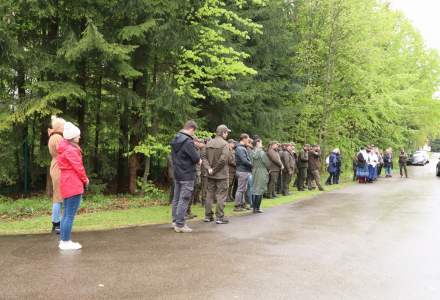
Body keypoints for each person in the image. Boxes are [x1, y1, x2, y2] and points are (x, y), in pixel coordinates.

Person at [57, 122, 89, 250]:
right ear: (72, 137)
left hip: (66, 182)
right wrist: (85, 179)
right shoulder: (71, 150)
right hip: (73, 183)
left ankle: (63, 241)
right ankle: (65, 241)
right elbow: (79, 168)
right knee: (69, 215)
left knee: (66, 215)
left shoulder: (64, 148)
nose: (79, 137)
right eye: (78, 135)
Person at [170, 120, 201, 233]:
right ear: (192, 129)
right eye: (194, 132)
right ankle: (180, 224)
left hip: (177, 173)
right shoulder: (188, 142)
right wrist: (200, 159)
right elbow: (196, 158)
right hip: (187, 174)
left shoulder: (175, 138)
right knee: (184, 199)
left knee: (176, 199)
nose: (194, 134)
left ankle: (175, 221)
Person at [202, 125, 231, 224]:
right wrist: (213, 169)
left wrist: (209, 168)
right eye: (226, 132)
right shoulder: (225, 144)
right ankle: (219, 217)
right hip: (221, 175)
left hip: (210, 174)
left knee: (209, 195)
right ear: (223, 133)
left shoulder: (209, 143)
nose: (227, 134)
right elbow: (223, 160)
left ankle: (208, 216)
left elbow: (203, 157)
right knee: (221, 196)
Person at [47, 116, 65, 234]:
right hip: (59, 167)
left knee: (58, 196)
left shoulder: (55, 136)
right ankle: (56, 224)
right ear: (59, 127)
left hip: (57, 165)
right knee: (58, 196)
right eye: (64, 126)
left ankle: (57, 223)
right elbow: (63, 151)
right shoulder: (57, 137)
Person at [251, 139, 270, 213]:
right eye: (261, 142)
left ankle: (254, 208)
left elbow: (251, 162)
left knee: (254, 189)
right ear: (258, 143)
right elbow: (267, 163)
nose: (262, 144)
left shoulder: (252, 152)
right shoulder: (262, 153)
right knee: (260, 189)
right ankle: (258, 208)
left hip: (254, 171)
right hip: (261, 171)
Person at [234, 133, 253, 211]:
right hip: (242, 170)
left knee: (243, 189)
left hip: (244, 170)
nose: (248, 141)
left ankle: (242, 204)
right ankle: (237, 206)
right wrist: (252, 165)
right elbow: (244, 160)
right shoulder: (240, 148)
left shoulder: (242, 148)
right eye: (248, 139)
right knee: (241, 189)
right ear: (244, 139)